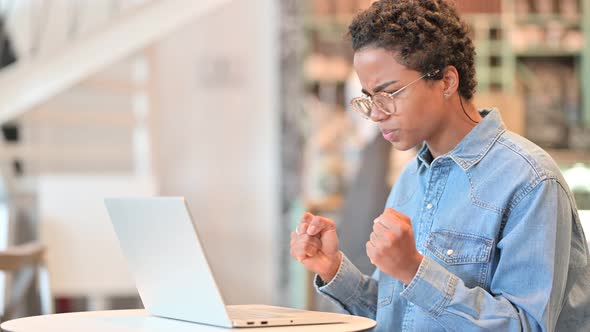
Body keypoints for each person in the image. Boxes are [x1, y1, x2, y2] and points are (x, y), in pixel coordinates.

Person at [289, 0, 590, 331]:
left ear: (447, 82)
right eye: (369, 98)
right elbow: (402, 315)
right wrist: (334, 269)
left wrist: (414, 270)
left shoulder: (530, 182)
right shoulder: (410, 179)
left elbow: (527, 326)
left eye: (389, 93)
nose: (376, 113)